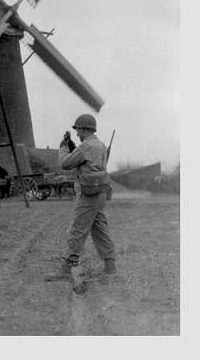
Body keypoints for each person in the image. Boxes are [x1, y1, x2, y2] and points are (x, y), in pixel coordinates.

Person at [45, 114, 116, 281]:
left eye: (78, 130)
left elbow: (65, 163)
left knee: (77, 229)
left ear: (84, 129)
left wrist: (63, 147)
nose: (77, 133)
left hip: (88, 195)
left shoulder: (86, 147)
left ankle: (67, 267)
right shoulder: (101, 145)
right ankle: (110, 265)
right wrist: (74, 148)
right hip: (100, 193)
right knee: (100, 228)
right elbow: (88, 168)